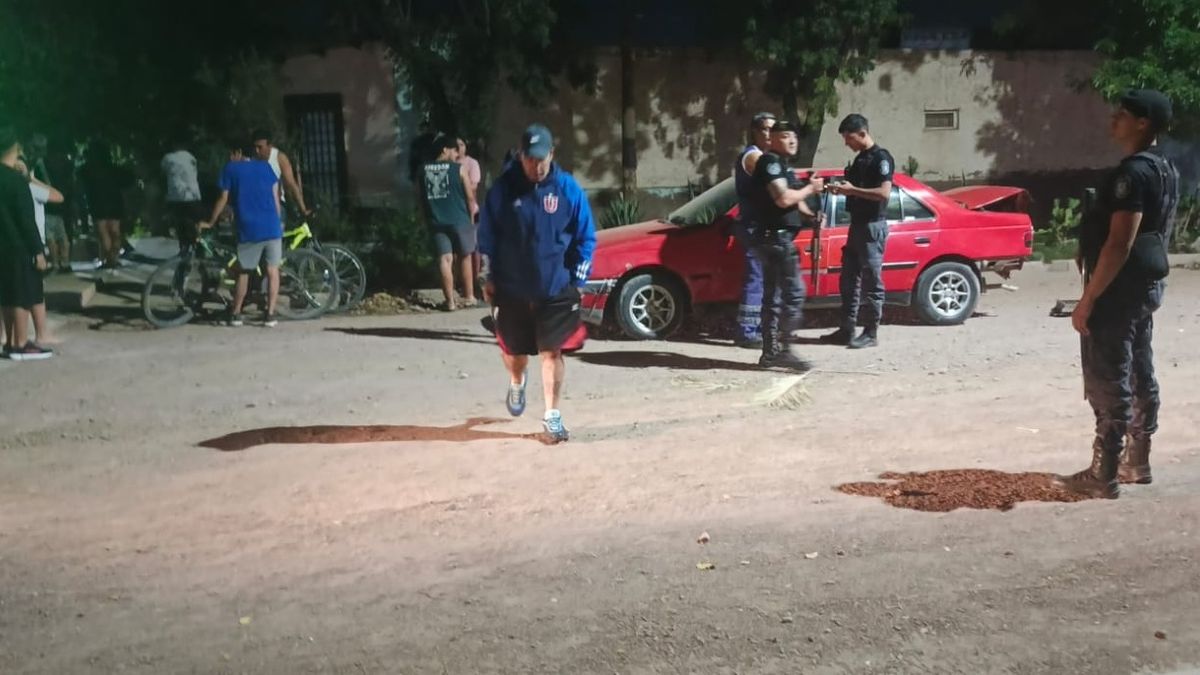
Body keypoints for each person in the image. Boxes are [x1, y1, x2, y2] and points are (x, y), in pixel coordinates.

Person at [1055, 90, 1178, 499]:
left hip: (1117, 290)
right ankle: (1136, 460)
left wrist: (1089, 299)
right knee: (1140, 368)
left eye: (1122, 115)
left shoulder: (1134, 174)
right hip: (1143, 286)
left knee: (1109, 376)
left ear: (1143, 123)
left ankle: (1103, 473)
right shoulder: (1165, 168)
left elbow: (1120, 242)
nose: (1114, 119)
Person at [477, 124, 596, 443]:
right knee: (515, 353)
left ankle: (552, 415)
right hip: (511, 288)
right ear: (521, 156)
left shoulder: (568, 189)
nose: (536, 165)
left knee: (551, 352)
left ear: (551, 154)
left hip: (556, 286)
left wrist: (579, 280)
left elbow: (586, 237)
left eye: (541, 159)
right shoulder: (503, 190)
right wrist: (487, 276)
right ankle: (517, 380)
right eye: (530, 159)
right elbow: (486, 236)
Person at [748, 120, 824, 370]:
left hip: (775, 238)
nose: (792, 141)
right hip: (776, 239)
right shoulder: (770, 162)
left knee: (773, 297)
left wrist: (810, 217)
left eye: (795, 136)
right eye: (786, 136)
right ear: (772, 139)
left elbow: (793, 201)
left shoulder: (781, 166)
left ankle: (771, 352)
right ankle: (785, 350)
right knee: (793, 294)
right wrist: (811, 189)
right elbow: (782, 198)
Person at [822, 113, 894, 349]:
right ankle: (847, 329)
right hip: (857, 225)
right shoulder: (861, 159)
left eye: (849, 138)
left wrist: (852, 191)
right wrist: (841, 189)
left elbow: (883, 193)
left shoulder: (881, 158)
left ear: (862, 133)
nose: (846, 143)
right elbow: (854, 188)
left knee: (871, 282)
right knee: (848, 280)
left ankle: (871, 333)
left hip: (872, 226)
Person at [203, 141, 282, 327]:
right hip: (271, 226)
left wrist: (211, 221)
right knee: (273, 271)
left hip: (249, 227)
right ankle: (270, 315)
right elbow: (275, 197)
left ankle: (236, 313)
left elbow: (223, 198)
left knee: (244, 271)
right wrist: (277, 222)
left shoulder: (231, 168)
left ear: (237, 152)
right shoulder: (266, 167)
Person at [0, 128, 53, 360]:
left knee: (6, 295)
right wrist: (38, 251)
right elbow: (26, 220)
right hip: (18, 246)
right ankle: (20, 344)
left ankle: (9, 342)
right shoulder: (16, 181)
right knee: (20, 295)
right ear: (16, 148)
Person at [420, 134, 478, 309]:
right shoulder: (459, 169)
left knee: (445, 259)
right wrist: (471, 217)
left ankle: (450, 301)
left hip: (436, 221)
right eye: (454, 150)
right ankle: (469, 296)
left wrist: (424, 219)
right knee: (465, 256)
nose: (456, 154)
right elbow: (469, 196)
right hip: (460, 219)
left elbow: (419, 199)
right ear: (445, 149)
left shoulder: (422, 170)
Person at [732, 111, 775, 349]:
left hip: (761, 226)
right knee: (756, 279)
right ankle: (747, 332)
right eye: (765, 129)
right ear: (755, 132)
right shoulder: (753, 157)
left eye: (773, 130)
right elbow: (774, 185)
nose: (770, 134)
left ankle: (756, 328)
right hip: (754, 227)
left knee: (763, 279)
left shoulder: (765, 157)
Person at [16, 156, 64, 345]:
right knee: (35, 292)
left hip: (12, 244)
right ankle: (42, 334)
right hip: (33, 244)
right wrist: (33, 179)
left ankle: (3, 335)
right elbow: (58, 196)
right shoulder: (31, 188)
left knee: (9, 292)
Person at [79, 140, 134, 269]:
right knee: (115, 231)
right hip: (114, 201)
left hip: (97, 202)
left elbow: (81, 186)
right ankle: (113, 258)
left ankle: (109, 259)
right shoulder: (114, 169)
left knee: (103, 232)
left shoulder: (86, 170)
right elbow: (128, 181)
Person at [252, 129, 310, 217]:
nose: (257, 151)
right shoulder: (252, 160)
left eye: (260, 147)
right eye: (255, 147)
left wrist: (303, 209)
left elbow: (291, 184)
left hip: (276, 203)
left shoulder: (279, 158)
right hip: (257, 204)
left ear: (269, 146)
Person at [161, 141, 205, 257]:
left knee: (180, 224)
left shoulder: (168, 158)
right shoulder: (191, 157)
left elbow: (163, 173)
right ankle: (197, 245)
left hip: (176, 197)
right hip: (194, 196)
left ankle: (184, 248)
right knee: (194, 223)